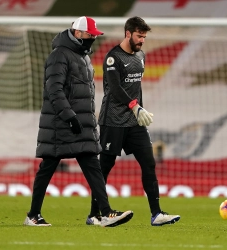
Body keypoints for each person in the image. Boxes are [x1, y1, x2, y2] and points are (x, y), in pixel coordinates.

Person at [23, 16, 133, 227]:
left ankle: (105, 213)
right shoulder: (59, 56)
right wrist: (69, 116)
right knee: (47, 167)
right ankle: (33, 215)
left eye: (94, 35)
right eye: (90, 34)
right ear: (77, 33)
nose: (92, 38)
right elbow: (53, 89)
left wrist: (82, 119)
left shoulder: (83, 57)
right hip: (59, 123)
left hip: (80, 123)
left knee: (93, 165)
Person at [86, 16, 180, 226]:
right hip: (113, 120)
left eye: (144, 37)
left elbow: (135, 88)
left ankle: (156, 214)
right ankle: (94, 215)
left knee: (149, 163)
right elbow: (116, 89)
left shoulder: (141, 57)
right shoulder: (113, 58)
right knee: (105, 167)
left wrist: (140, 110)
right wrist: (135, 107)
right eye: (139, 36)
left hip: (134, 121)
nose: (142, 41)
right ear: (128, 33)